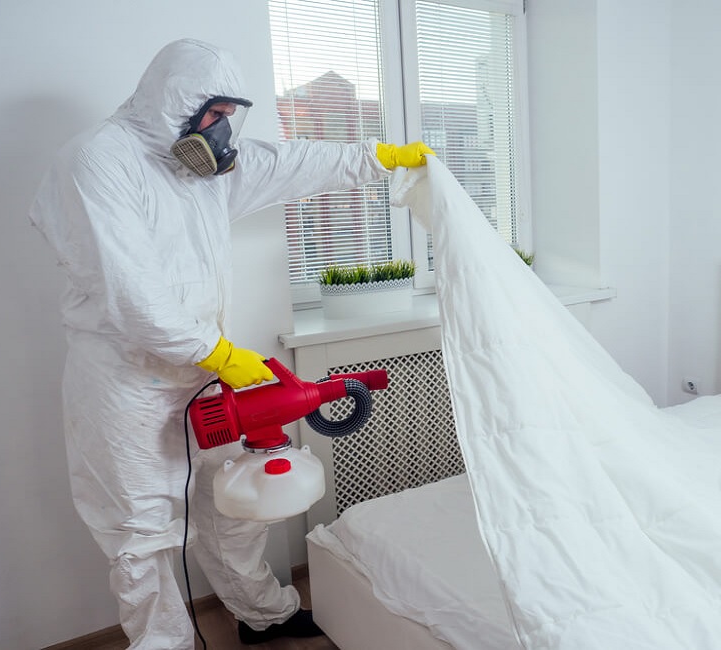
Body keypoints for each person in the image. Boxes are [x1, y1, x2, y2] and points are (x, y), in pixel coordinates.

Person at [29, 38, 432, 649]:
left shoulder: (198, 173)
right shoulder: (97, 161)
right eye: (214, 114)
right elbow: (130, 292)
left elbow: (292, 162)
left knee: (233, 504)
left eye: (227, 117)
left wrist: (380, 157)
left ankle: (262, 615)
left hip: (202, 372)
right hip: (126, 383)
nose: (221, 131)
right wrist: (218, 354)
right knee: (142, 533)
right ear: (175, 102)